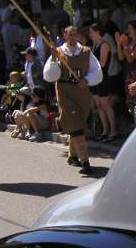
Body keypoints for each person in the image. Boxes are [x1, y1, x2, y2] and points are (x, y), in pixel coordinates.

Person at [43, 26, 103, 174]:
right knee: (74, 121)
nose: (72, 37)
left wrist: (87, 80)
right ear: (65, 35)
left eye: (75, 35)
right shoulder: (58, 52)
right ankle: (85, 162)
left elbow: (97, 72)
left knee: (78, 124)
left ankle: (72, 155)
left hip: (81, 92)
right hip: (65, 92)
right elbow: (50, 76)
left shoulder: (86, 52)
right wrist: (54, 60)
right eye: (70, 35)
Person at [88, 23, 120, 141]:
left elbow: (102, 63)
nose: (90, 34)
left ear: (97, 32)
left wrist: (90, 62)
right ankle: (105, 130)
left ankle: (113, 131)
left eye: (92, 31)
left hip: (103, 78)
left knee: (106, 105)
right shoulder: (95, 45)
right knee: (99, 106)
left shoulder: (104, 45)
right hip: (95, 78)